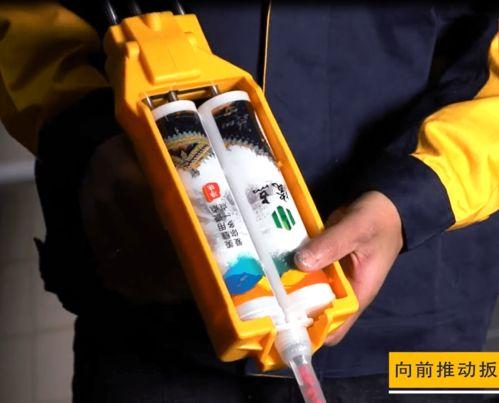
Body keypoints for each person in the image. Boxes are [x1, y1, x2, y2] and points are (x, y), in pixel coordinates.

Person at [1, 1, 498, 402]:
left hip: (422, 340)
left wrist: (412, 200)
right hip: (154, 319)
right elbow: (24, 20)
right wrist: (85, 129)